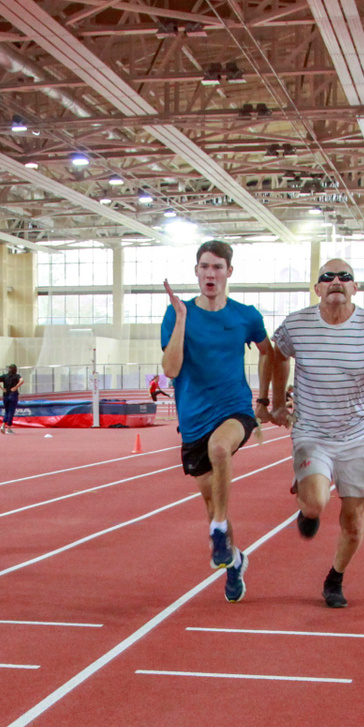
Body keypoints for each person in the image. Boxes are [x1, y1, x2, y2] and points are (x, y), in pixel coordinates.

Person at [265, 258, 364, 609]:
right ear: (317, 288)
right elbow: (277, 355)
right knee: (316, 502)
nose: (336, 281)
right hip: (313, 431)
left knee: (353, 521)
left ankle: (335, 578)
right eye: (328, 277)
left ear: (355, 287)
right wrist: (276, 401)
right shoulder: (297, 324)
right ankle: (309, 510)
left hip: (361, 434)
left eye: (345, 277)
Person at [160, 239, 280, 603]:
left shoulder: (246, 316)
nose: (210, 273)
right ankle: (235, 561)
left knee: (220, 449)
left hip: (234, 409)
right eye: (205, 267)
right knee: (213, 502)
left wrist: (264, 400)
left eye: (217, 267)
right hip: (193, 420)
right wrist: (182, 319)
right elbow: (171, 369)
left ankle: (218, 527)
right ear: (196, 271)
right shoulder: (176, 314)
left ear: (229, 272)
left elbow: (270, 354)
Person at [0, 364, 22, 434]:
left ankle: (3, 424)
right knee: (11, 411)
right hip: (13, 395)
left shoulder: (5, 376)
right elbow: (22, 380)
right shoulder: (16, 376)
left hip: (6, 394)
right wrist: (16, 387)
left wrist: (2, 388)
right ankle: (9, 428)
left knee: (7, 411)